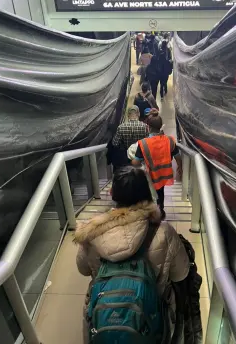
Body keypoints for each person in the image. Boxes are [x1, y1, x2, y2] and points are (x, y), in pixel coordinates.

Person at [75, 166, 190, 344]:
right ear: (146, 193)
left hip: (104, 316)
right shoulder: (164, 231)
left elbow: (82, 269)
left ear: (113, 194)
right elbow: (181, 273)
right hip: (151, 318)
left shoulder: (91, 232)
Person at [132, 110, 182, 218]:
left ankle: (151, 213)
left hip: (150, 175)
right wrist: (180, 168)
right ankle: (161, 210)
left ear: (148, 127)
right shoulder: (169, 140)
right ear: (160, 126)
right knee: (160, 192)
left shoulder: (143, 143)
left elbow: (136, 162)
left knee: (149, 192)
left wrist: (131, 158)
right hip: (163, 174)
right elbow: (178, 157)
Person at [111, 105, 148, 172]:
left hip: (127, 158)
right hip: (141, 158)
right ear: (138, 114)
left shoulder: (121, 127)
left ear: (128, 115)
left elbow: (115, 143)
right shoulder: (145, 126)